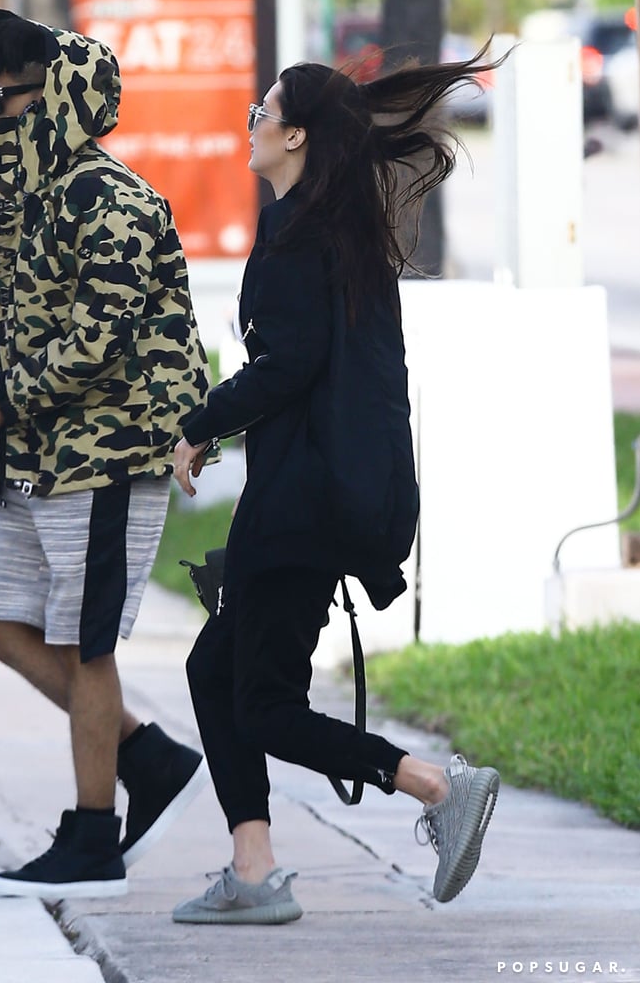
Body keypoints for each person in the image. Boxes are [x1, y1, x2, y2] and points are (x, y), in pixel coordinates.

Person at [170, 52, 502, 924]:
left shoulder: (303, 238)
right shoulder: (331, 231)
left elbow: (285, 367)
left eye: (262, 109)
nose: (251, 122)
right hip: (315, 495)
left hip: (298, 507)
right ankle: (253, 870)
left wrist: (197, 425)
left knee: (266, 704)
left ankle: (435, 784)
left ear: (295, 135)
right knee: (216, 671)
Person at [0, 9, 211, 900]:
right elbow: (14, 323)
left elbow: (96, 342)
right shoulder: (29, 199)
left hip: (108, 455)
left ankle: (93, 838)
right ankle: (146, 753)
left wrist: (2, 397)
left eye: (4, 94)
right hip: (37, 453)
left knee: (84, 646)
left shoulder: (114, 201)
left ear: (55, 97)